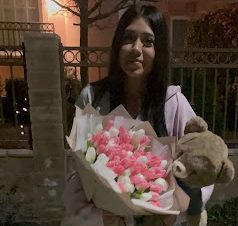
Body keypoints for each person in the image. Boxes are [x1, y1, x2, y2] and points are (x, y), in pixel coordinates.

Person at [62, 4, 214, 226]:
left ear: (159, 50)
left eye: (148, 41)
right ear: (117, 45)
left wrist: (175, 211)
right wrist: (97, 217)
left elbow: (200, 167)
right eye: (128, 38)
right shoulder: (92, 99)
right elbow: (75, 174)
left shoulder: (174, 104)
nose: (136, 48)